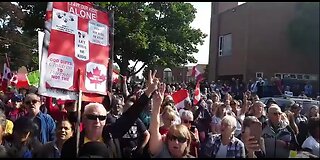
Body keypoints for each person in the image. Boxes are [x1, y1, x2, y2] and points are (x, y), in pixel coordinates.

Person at [61, 70, 159, 158]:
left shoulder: (110, 135)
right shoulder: (72, 144)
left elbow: (130, 116)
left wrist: (148, 92)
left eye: (102, 117)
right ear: (84, 119)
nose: (97, 122)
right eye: (92, 117)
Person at [149, 84, 194, 158]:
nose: (176, 142)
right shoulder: (162, 153)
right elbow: (154, 130)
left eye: (181, 139)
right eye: (172, 138)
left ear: (187, 142)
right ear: (167, 140)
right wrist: (156, 107)